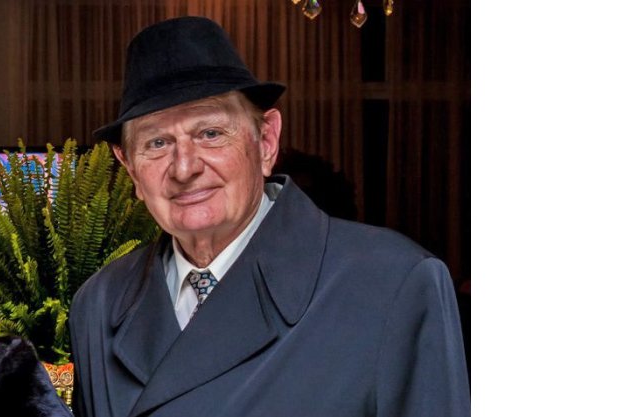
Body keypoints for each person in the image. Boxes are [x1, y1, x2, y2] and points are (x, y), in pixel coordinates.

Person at [69, 16, 470, 417]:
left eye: (210, 133)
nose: (184, 167)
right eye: (157, 143)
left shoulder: (393, 284)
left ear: (265, 141)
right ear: (130, 168)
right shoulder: (99, 304)